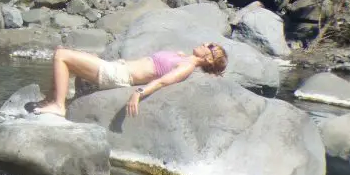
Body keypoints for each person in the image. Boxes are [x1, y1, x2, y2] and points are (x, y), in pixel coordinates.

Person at [33, 43, 228, 118]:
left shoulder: (186, 67)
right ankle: (51, 99)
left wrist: (139, 93)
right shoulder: (182, 56)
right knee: (68, 52)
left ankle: (59, 106)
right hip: (118, 67)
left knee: (61, 55)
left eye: (209, 46)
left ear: (209, 58)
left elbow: (163, 81)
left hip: (119, 76)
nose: (204, 44)